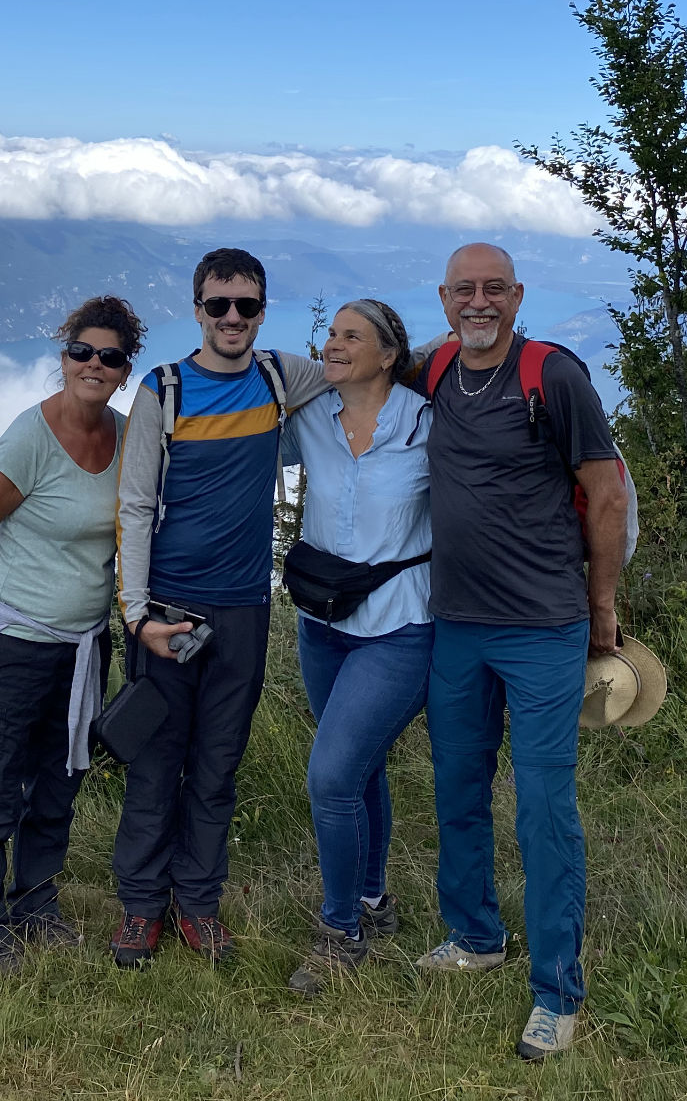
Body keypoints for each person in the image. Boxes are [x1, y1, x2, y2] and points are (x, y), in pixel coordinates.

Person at [415, 243, 628, 1062]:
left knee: (544, 810)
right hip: (456, 625)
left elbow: (605, 490)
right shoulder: (433, 371)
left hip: (543, 627)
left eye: (493, 290)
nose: (479, 302)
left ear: (517, 295)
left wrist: (600, 605)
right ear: (443, 300)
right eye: (465, 290)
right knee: (458, 790)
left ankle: (557, 992)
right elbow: (359, 371)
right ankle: (474, 936)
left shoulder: (553, 375)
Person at [110, 247, 325, 967]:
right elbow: (135, 503)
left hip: (243, 610)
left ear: (263, 310)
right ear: (197, 309)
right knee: (155, 763)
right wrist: (138, 617)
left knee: (216, 766)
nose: (232, 318)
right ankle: (141, 907)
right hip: (169, 608)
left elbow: (363, 370)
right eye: (218, 305)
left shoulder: (277, 376)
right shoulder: (163, 390)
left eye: (247, 305)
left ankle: (197, 904)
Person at [0, 294, 146, 973]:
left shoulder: (123, 439)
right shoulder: (29, 437)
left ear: (123, 369)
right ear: (63, 357)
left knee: (60, 782)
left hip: (83, 644)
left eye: (109, 356)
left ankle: (34, 905)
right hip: (18, 643)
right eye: (81, 351)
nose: (94, 364)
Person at [278, 300, 434, 996]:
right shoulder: (311, 419)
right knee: (361, 770)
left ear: (388, 355)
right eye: (331, 334)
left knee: (332, 778)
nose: (333, 345)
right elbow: (226, 440)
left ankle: (339, 931)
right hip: (324, 623)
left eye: (351, 337)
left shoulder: (427, 426)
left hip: (401, 626)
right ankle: (373, 899)